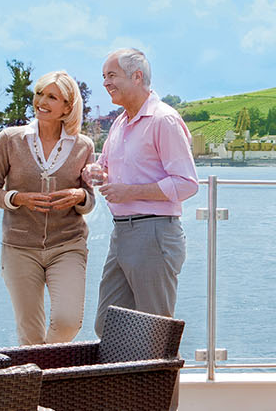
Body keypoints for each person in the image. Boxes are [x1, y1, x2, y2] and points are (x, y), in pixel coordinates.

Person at [86, 48, 198, 338]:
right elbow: (105, 165)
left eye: (112, 75)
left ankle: (158, 371)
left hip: (154, 233)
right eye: (104, 76)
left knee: (154, 331)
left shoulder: (164, 120)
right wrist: (96, 171)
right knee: (108, 326)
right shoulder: (120, 123)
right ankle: (129, 371)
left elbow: (186, 183)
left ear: (137, 77)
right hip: (122, 234)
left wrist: (130, 192)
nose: (105, 83)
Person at [0, 70, 96, 345]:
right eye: (39, 94)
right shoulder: (10, 139)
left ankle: (43, 365)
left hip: (67, 245)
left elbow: (90, 200)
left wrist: (79, 195)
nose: (41, 101)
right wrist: (16, 198)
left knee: (68, 322)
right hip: (19, 247)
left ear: (67, 107)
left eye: (52, 97)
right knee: (30, 334)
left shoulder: (83, 146)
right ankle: (41, 370)